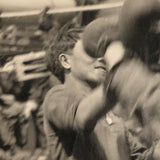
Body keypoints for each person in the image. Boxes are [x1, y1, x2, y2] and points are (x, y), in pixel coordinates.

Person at [42, 17, 160, 160]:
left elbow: (137, 157)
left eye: (102, 52)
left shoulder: (112, 117)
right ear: (66, 61)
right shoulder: (55, 97)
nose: (102, 58)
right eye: (91, 52)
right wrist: (121, 75)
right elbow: (81, 118)